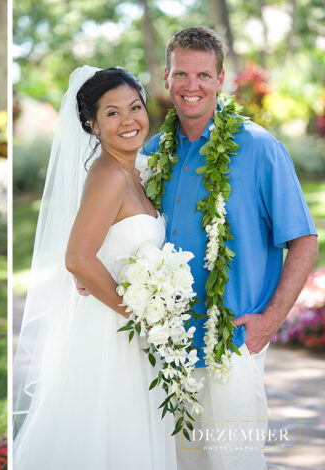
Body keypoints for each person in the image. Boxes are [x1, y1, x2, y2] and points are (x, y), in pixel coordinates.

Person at [139, 26, 317, 469]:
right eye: (182, 74)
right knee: (180, 462)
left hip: (232, 342)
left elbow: (304, 242)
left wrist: (269, 321)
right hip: (167, 346)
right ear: (167, 76)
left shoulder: (259, 148)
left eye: (203, 75)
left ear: (220, 81)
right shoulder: (150, 154)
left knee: (235, 461)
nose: (191, 86)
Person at [12, 66, 177, 469]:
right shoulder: (108, 175)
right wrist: (139, 315)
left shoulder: (135, 171)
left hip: (132, 329)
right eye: (112, 113)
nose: (129, 120)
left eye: (135, 107)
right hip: (113, 333)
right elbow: (77, 258)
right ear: (92, 124)